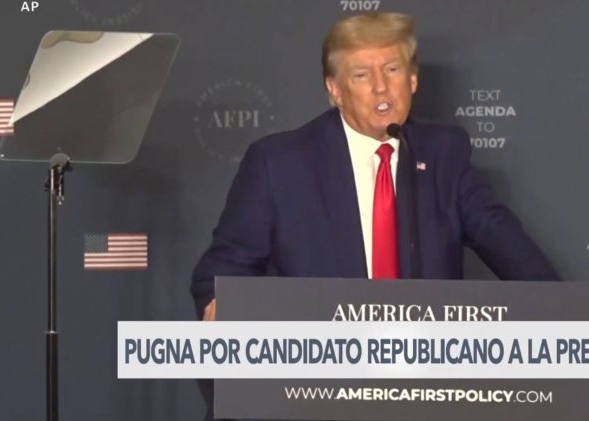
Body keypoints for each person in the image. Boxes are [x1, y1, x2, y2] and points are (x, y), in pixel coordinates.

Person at [191, 11, 559, 419]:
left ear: (413, 80)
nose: (381, 87)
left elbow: (508, 246)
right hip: (318, 388)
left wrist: (564, 317)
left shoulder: (443, 154)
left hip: (424, 391)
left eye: (392, 69)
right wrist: (224, 303)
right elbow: (222, 270)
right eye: (362, 75)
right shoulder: (279, 163)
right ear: (334, 90)